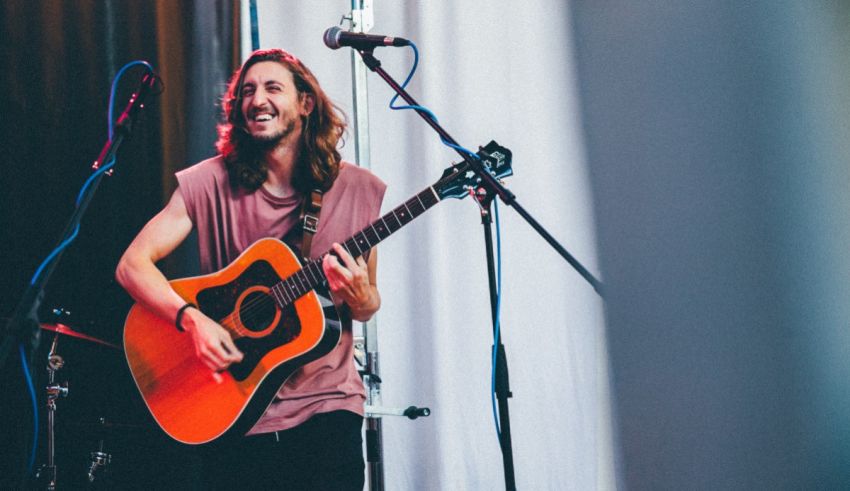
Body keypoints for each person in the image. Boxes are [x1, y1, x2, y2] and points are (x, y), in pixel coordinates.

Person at [115, 48, 386, 490]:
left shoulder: (358, 190)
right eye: (247, 91)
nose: (257, 99)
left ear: (305, 103)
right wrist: (193, 321)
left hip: (327, 408)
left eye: (272, 87)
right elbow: (132, 266)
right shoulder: (209, 181)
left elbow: (368, 304)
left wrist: (358, 294)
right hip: (232, 407)